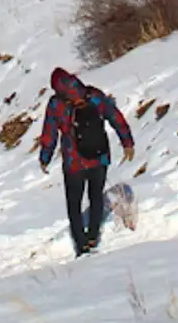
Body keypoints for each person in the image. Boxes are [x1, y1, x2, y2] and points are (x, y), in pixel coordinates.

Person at [37, 67, 135, 257]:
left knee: (74, 204)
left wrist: (45, 158)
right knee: (96, 196)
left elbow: (50, 133)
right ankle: (93, 237)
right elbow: (115, 117)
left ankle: (82, 246)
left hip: (74, 163)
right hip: (99, 158)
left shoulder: (56, 104)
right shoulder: (94, 95)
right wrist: (127, 142)